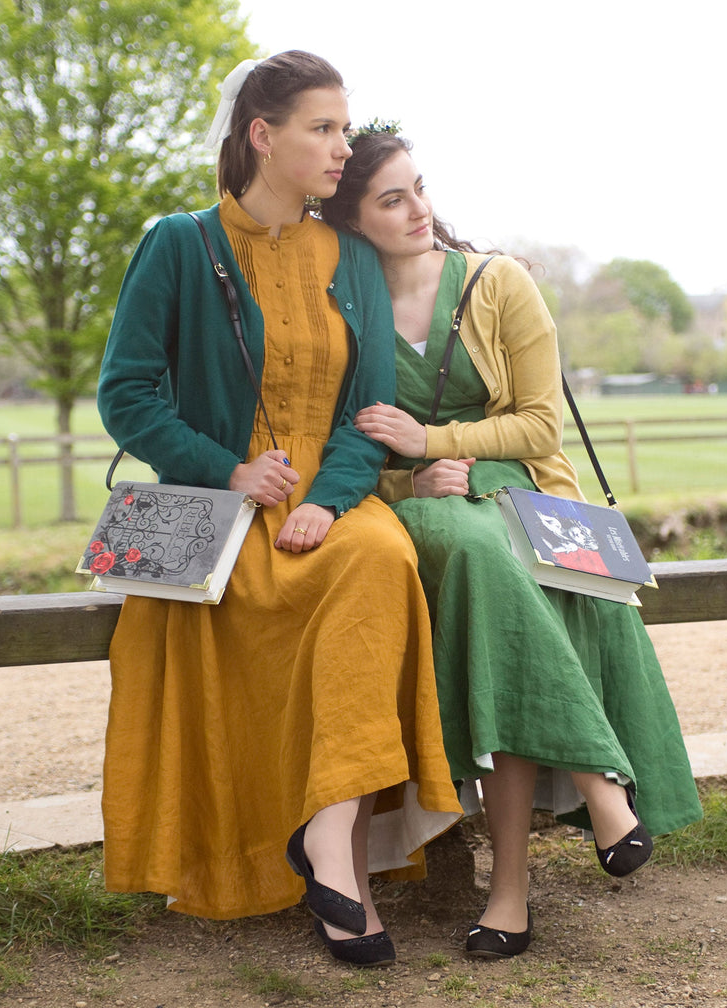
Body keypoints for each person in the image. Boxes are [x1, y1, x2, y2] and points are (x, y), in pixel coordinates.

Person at [95, 55, 462, 968]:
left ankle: (329, 847)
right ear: (263, 136)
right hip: (222, 508)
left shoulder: (350, 257)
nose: (342, 147)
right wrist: (225, 471)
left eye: (344, 130)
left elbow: (367, 410)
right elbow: (128, 395)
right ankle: (318, 867)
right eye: (323, 129)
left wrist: (333, 502)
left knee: (381, 560)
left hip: (336, 505)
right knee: (258, 606)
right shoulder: (179, 243)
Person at [321, 129, 702, 959]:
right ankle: (600, 791)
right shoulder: (340, 310)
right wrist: (409, 480)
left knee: (492, 581)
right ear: (352, 217)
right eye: (392, 198)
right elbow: (338, 451)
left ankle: (513, 896)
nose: (419, 208)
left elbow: (540, 425)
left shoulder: (500, 284)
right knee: (471, 553)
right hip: (417, 510)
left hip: (524, 505)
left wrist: (435, 443)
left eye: (419, 187)